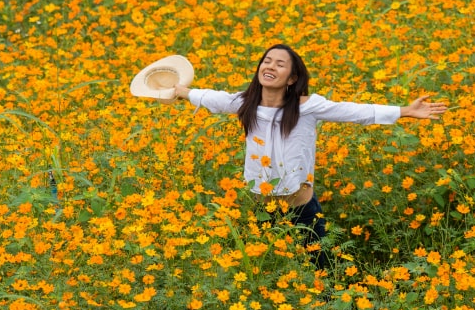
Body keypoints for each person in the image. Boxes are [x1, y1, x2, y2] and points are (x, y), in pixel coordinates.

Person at [172, 43, 447, 265]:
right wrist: (180, 91)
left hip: (301, 208)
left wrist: (405, 111)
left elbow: (355, 112)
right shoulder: (244, 103)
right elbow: (207, 97)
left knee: (321, 267)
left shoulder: (308, 107)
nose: (270, 66)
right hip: (262, 209)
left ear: (292, 78)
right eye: (267, 61)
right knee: (270, 268)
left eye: (280, 64)